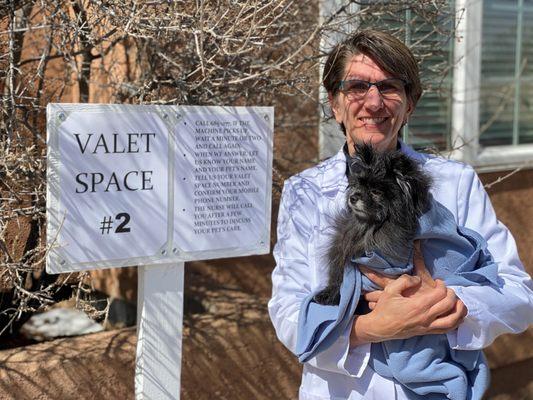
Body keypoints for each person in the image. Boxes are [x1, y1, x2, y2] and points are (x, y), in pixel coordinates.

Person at [268, 30, 533, 400]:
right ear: (334, 103)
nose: (374, 102)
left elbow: (517, 295)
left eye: (390, 87)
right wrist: (373, 327)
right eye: (357, 86)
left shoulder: (454, 182)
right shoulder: (305, 192)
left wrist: (441, 302)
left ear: (409, 104)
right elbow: (288, 312)